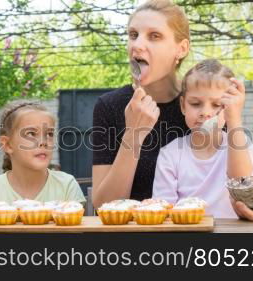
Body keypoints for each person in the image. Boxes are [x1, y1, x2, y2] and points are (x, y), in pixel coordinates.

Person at [92, 0, 190, 208]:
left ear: (181, 49)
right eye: (133, 35)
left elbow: (229, 185)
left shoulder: (203, 104)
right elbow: (104, 206)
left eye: (155, 36)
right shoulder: (109, 106)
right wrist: (134, 134)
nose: (137, 45)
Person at [152, 59, 253, 220]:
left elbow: (243, 185)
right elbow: (163, 210)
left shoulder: (240, 145)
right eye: (195, 104)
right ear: (182, 106)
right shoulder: (170, 154)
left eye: (216, 105)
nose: (205, 112)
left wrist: (234, 119)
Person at [0, 100, 86, 205]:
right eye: (31, 134)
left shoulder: (66, 185)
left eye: (49, 134)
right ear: (8, 145)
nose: (43, 142)